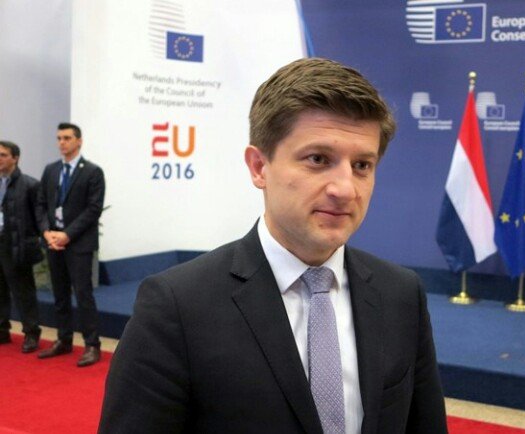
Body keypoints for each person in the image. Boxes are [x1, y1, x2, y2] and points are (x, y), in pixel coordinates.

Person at [99, 58, 448, 433]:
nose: (346, 189)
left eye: (362, 165)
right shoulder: (176, 306)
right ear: (258, 167)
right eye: (318, 159)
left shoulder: (401, 294)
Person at [37, 122, 105, 367]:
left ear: (79, 141)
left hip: (78, 244)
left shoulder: (92, 172)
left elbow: (93, 209)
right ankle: (64, 340)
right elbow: (41, 204)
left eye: (66, 138)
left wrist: (67, 234)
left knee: (83, 295)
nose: (61, 143)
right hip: (54, 242)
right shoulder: (51, 170)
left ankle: (92, 345)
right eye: (59, 138)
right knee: (60, 294)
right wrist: (47, 232)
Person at [0, 141, 43, 353]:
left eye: (3, 155)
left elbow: (38, 218)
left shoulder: (29, 185)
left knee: (23, 292)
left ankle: (31, 333)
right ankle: (2, 330)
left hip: (16, 246)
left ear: (15, 158)